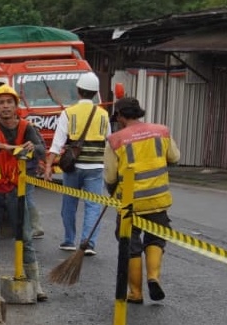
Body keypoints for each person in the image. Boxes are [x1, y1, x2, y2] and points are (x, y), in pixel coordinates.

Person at [104, 97, 180, 303]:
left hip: (130, 203)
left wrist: (111, 190)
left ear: (120, 116)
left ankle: (136, 293)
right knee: (155, 238)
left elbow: (110, 176)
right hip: (158, 199)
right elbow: (174, 157)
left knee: (130, 244)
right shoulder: (161, 131)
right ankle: (153, 277)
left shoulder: (115, 140)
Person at [0, 85, 47, 298]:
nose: (6, 106)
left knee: (25, 235)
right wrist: (6, 147)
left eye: (9, 102)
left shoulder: (26, 127)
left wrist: (31, 147)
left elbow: (41, 148)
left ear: (16, 106)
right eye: (1, 103)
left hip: (16, 189)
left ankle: (35, 284)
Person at [44, 73, 109, 256]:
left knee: (69, 204)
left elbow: (57, 144)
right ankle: (88, 243)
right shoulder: (104, 115)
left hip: (73, 168)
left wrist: (49, 166)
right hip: (96, 168)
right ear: (95, 92)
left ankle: (69, 240)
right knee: (93, 205)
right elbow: (110, 143)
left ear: (78, 91)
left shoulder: (69, 113)